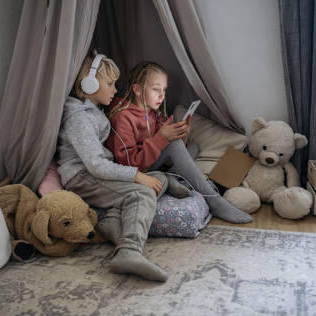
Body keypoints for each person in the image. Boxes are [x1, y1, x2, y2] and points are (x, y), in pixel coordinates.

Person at [56, 53, 169, 282]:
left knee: (158, 179)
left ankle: (109, 219)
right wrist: (135, 176)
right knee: (144, 192)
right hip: (82, 177)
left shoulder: (91, 111)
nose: (115, 90)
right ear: (88, 84)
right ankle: (129, 251)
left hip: (94, 174)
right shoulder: (78, 118)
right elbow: (96, 166)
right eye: (110, 84)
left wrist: (139, 176)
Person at [106, 61, 253, 224]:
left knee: (194, 146)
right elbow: (128, 164)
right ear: (138, 90)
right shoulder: (123, 118)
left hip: (154, 164)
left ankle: (171, 178)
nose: (162, 95)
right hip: (137, 172)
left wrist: (182, 134)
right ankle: (214, 201)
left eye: (164, 90)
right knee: (174, 145)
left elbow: (174, 152)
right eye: (156, 89)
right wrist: (163, 137)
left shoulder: (153, 113)